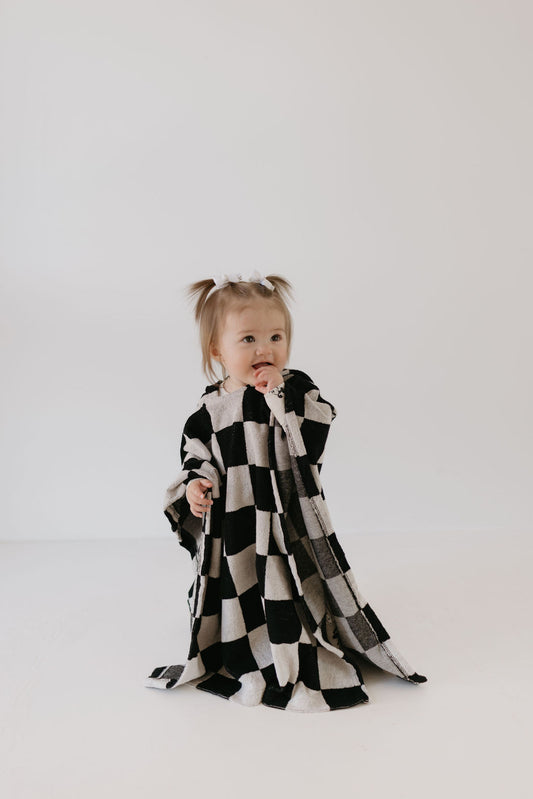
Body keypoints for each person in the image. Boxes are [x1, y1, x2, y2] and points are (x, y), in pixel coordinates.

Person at [145, 271, 428, 712]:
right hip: (238, 519)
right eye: (249, 339)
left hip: (285, 516)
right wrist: (197, 487)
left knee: (295, 582)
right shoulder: (209, 411)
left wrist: (278, 395)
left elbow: (315, 431)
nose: (265, 349)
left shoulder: (293, 388)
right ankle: (239, 638)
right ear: (217, 349)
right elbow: (196, 456)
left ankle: (303, 630)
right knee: (238, 584)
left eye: (276, 336)